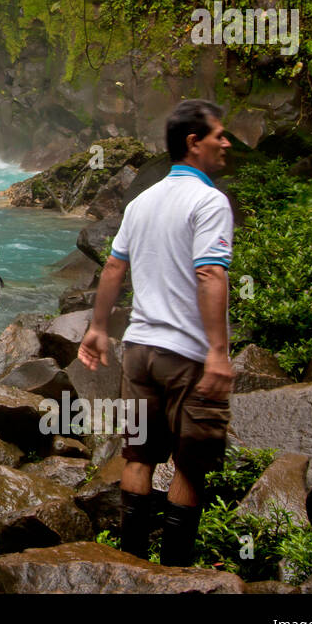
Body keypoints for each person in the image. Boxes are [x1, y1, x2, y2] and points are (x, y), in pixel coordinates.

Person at [76, 98, 234, 567]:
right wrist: (219, 353)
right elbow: (210, 274)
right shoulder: (209, 201)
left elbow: (112, 266)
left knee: (138, 458)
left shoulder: (140, 202)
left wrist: (98, 329)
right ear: (193, 142)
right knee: (190, 465)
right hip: (185, 355)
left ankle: (132, 563)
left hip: (139, 352)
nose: (226, 143)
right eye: (218, 136)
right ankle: (174, 572)